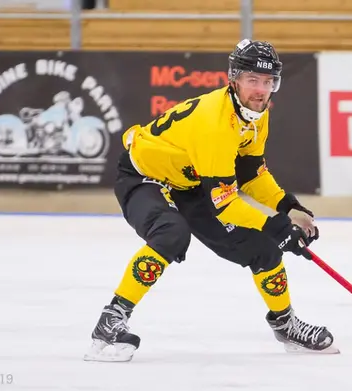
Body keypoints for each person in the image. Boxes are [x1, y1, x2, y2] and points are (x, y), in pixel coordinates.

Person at [84, 39, 337, 362]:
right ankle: (111, 320)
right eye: (252, 80)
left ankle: (285, 323)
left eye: (268, 81)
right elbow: (226, 203)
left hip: (190, 182)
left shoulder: (256, 112)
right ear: (234, 80)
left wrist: (288, 207)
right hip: (146, 178)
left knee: (264, 248)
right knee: (171, 234)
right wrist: (277, 225)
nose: (261, 90)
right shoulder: (215, 123)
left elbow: (251, 173)